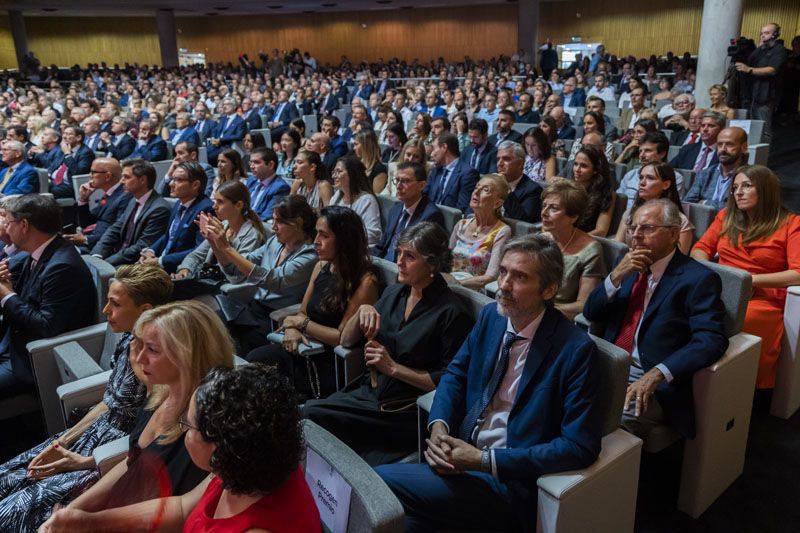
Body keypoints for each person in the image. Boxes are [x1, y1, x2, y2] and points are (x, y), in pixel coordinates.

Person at [376, 234, 603, 532]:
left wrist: (484, 460)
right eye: (504, 271)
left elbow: (578, 446)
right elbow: (456, 374)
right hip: (460, 459)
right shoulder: (491, 318)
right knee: (398, 525)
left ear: (548, 290)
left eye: (519, 277)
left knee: (376, 481)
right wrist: (440, 426)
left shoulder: (575, 350)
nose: (504, 285)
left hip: (509, 482)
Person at [0, 264, 172, 531]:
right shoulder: (129, 339)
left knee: (12, 510)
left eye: (114, 304)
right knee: (8, 476)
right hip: (96, 432)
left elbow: (149, 439)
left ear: (145, 311)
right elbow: (109, 402)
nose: (105, 311)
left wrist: (83, 461)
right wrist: (62, 441)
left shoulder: (162, 363)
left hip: (115, 455)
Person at [37, 301, 235, 523]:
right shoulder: (160, 395)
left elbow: (184, 510)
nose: (139, 359)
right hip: (121, 506)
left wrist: (90, 522)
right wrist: (74, 509)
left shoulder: (209, 426)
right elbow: (132, 464)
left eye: (152, 349)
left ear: (187, 356)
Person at [305, 222, 472, 465]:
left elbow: (448, 382)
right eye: (399, 253)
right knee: (309, 414)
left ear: (432, 264)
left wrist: (392, 367)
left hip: (403, 409)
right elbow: (347, 339)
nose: (400, 261)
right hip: (371, 390)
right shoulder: (396, 293)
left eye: (410, 256)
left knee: (310, 415)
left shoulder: (452, 313)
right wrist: (363, 308)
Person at [585, 199, 728, 439]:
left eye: (647, 228)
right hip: (609, 364)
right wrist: (616, 276)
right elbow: (591, 312)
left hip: (650, 380)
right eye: (633, 228)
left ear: (673, 234)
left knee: (602, 427)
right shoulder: (627, 263)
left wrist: (659, 372)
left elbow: (711, 339)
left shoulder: (698, 279)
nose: (636, 236)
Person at [247, 206, 379, 400]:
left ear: (344, 240)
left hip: (329, 362)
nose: (316, 242)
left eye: (324, 236)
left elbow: (341, 337)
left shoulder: (366, 281)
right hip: (305, 348)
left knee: (264, 382)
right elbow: (302, 312)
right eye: (316, 234)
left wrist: (301, 324)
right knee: (254, 363)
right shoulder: (320, 266)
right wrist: (292, 329)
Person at [692, 165, 800, 390]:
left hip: (761, 297)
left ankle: (735, 388)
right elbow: (700, 249)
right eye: (735, 188)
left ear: (765, 190)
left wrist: (750, 280)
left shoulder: (791, 223)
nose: (738, 192)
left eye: (747, 186)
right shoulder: (725, 217)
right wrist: (714, 275)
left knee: (739, 318)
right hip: (722, 287)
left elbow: (798, 273)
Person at [0, 194, 96, 398]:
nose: (6, 230)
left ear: (24, 225)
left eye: (8, 223)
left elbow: (46, 325)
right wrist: (8, 288)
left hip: (32, 359)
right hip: (12, 343)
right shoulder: (35, 253)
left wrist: (6, 295)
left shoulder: (62, 267)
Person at [212, 195, 319, 356]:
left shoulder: (310, 255)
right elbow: (236, 269)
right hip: (252, 308)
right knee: (211, 323)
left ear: (298, 223)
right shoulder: (274, 242)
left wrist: (227, 249)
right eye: (273, 220)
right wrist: (215, 245)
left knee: (232, 342)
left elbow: (272, 280)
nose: (273, 226)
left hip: (275, 318)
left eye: (280, 222)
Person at [171, 181, 266, 298]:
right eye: (215, 201)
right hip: (208, 283)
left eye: (220, 202)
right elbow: (195, 256)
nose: (214, 206)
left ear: (238, 205)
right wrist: (184, 271)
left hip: (226, 294)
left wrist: (218, 245)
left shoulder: (252, 235)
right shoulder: (224, 225)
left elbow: (237, 277)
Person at [540, 180, 606, 320]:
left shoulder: (590, 250)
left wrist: (540, 311)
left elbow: (584, 304)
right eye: (544, 206)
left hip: (559, 319)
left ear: (573, 217)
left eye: (553, 208)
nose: (544, 213)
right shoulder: (540, 240)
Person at [90, 159, 171, 267]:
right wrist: (97, 255)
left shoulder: (160, 209)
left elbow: (142, 246)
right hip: (118, 255)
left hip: (136, 263)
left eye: (126, 177)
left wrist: (107, 263)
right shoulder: (133, 200)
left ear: (142, 180)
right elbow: (114, 230)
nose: (122, 181)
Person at [138, 162, 214, 274]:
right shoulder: (179, 203)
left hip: (178, 271)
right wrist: (150, 251)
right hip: (159, 264)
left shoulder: (206, 209)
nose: (171, 184)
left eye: (178, 180)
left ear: (195, 185)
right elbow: (169, 236)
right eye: (172, 179)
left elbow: (199, 250)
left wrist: (160, 261)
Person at [615, 162, 694, 254]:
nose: (642, 182)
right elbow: (618, 246)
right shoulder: (630, 213)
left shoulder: (681, 222)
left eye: (650, 178)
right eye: (641, 177)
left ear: (666, 184)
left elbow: (679, 261)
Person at [449, 174, 512, 290]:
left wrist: (455, 284)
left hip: (472, 292)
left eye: (485, 190)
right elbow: (444, 260)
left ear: (497, 203)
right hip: (448, 284)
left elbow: (491, 276)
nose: (476, 192)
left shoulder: (502, 231)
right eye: (476, 187)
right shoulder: (461, 225)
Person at [373, 162, 445, 261]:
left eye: (405, 181)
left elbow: (423, 258)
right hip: (385, 267)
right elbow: (381, 246)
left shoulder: (431, 215)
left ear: (421, 185)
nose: (398, 186)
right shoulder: (395, 209)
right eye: (397, 180)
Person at [735, 23, 788, 143]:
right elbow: (748, 61)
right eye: (762, 33)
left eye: (767, 33)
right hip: (752, 93)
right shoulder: (760, 50)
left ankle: (762, 157)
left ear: (775, 34)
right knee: (750, 125)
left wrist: (750, 70)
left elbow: (772, 70)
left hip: (767, 95)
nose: (763, 36)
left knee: (764, 128)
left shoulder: (779, 50)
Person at [65, 157, 131, 251]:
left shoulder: (124, 198)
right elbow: (86, 223)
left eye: (93, 172)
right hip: (93, 241)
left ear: (107, 176)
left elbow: (119, 233)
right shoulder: (110, 194)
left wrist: (85, 239)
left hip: (104, 248)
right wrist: (84, 199)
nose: (89, 175)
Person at [684, 127, 749, 211]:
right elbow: (687, 203)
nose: (723, 149)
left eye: (729, 144)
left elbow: (737, 209)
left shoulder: (749, 176)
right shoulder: (705, 174)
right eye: (719, 144)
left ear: (743, 147)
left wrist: (704, 202)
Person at [329, 155, 382, 246]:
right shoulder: (337, 196)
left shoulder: (367, 200)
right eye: (334, 172)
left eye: (339, 172)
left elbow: (373, 234)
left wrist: (344, 238)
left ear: (352, 174)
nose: (334, 176)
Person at [426, 133, 479, 213]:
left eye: (434, 148)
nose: (431, 153)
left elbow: (462, 208)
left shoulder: (468, 173)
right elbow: (425, 196)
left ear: (444, 147)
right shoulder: (436, 171)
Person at [572, 145, 617, 236]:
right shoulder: (569, 188)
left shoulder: (606, 193)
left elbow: (601, 231)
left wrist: (574, 240)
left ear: (596, 170)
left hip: (585, 241)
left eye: (583, 166)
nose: (577, 169)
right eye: (575, 164)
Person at [496, 141, 542, 223]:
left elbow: (522, 221)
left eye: (506, 159)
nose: (500, 163)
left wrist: (506, 189)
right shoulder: (492, 183)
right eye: (498, 159)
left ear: (520, 163)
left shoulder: (533, 190)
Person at [246, 147, 291, 221]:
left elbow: (266, 217)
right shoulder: (251, 180)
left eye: (256, 162)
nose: (251, 166)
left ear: (270, 165)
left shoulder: (281, 188)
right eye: (251, 162)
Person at [354, 129, 389, 195]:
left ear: (366, 145)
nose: (354, 148)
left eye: (356, 144)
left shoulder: (379, 169)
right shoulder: (356, 164)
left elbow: (374, 197)